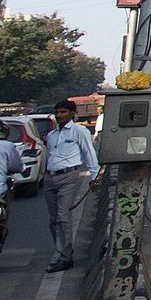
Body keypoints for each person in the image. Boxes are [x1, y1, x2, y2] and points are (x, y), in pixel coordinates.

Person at [43, 99, 101, 273]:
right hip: (50, 177)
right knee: (53, 220)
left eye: (63, 112)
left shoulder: (79, 131)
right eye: (58, 112)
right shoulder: (52, 135)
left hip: (68, 176)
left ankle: (66, 256)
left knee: (63, 216)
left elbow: (89, 153)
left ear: (72, 114)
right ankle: (61, 252)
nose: (60, 115)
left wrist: (94, 175)